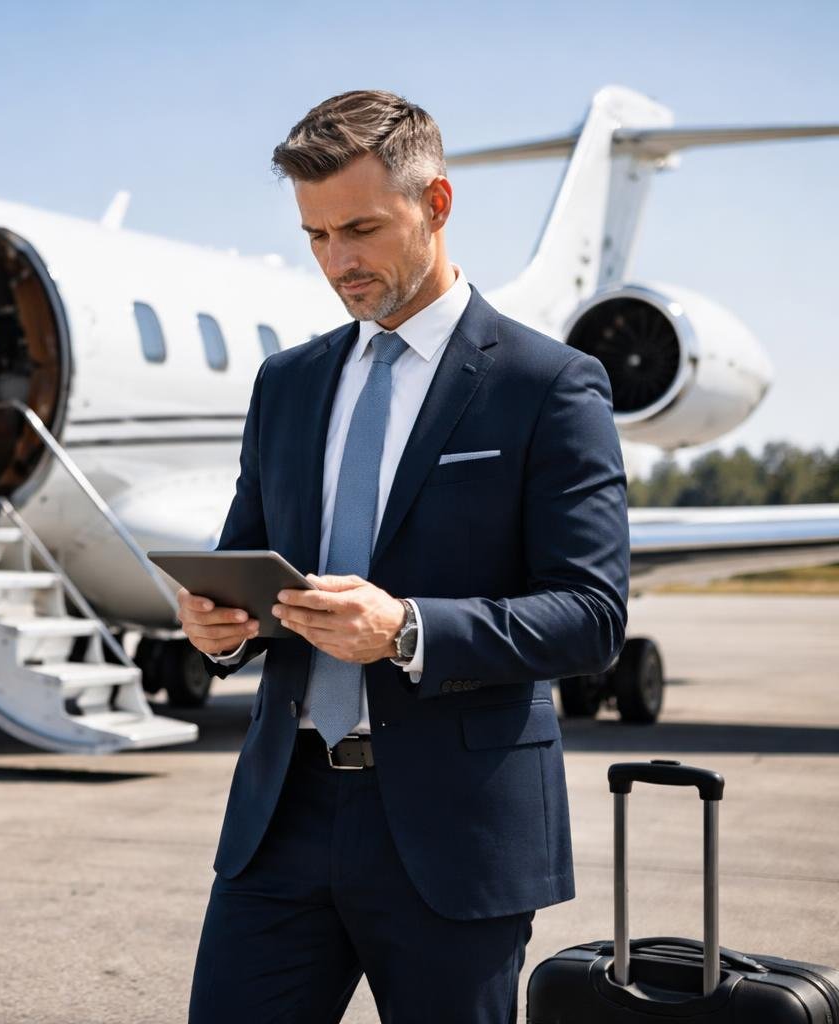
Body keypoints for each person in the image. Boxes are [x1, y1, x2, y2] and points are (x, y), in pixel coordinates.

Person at [179, 89, 629, 1023]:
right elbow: (246, 566)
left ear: (438, 204)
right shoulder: (289, 383)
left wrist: (406, 631)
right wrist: (219, 627)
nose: (337, 262)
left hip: (455, 832)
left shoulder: (547, 384)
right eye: (314, 237)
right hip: (281, 816)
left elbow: (591, 616)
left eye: (361, 229)